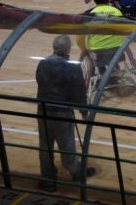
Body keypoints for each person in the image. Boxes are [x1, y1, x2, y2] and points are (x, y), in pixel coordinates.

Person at [36, 35, 95, 193]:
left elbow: (40, 82)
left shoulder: (42, 63)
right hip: (61, 112)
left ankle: (48, 179)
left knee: (45, 145)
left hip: (42, 110)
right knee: (67, 144)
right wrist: (83, 110)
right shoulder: (72, 67)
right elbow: (78, 92)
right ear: (68, 49)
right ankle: (75, 171)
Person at [84, 0, 125, 77]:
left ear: (94, 0)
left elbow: (82, 32)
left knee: (98, 49)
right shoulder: (118, 11)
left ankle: (102, 69)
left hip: (97, 50)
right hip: (118, 49)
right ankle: (114, 67)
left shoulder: (88, 14)